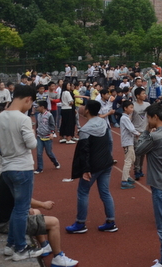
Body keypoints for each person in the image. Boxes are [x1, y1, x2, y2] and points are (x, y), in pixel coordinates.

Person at [0, 84, 42, 261]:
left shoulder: (0, 117)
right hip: (22, 167)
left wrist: (7, 142)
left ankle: (10, 245)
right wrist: (32, 131)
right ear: (28, 99)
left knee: (16, 207)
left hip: (7, 167)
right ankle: (20, 248)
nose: (30, 107)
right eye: (30, 103)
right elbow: (32, 144)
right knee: (21, 209)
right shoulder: (23, 119)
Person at [0, 175, 78, 266]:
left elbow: (17, 198)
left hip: (2, 220)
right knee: (54, 222)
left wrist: (28, 207)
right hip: (8, 223)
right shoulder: (18, 175)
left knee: (36, 212)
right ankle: (58, 258)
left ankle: (44, 245)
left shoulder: (8, 173)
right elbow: (26, 199)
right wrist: (43, 204)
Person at [135, 104, 162, 267]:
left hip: (159, 183)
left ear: (155, 117)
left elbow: (138, 150)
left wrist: (146, 132)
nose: (147, 121)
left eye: (148, 118)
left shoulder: (154, 137)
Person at [65, 99, 117, 234]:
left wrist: (86, 169)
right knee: (105, 192)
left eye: (84, 106)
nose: (82, 108)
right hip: (106, 163)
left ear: (87, 110)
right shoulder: (103, 123)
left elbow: (84, 152)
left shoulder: (85, 130)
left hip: (93, 166)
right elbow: (109, 142)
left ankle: (80, 223)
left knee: (83, 192)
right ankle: (111, 222)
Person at [34, 100, 60, 174]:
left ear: (42, 107)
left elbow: (52, 124)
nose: (37, 108)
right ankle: (40, 168)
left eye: (38, 107)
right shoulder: (38, 115)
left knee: (49, 152)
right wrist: (36, 132)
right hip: (39, 136)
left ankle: (55, 162)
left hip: (47, 137)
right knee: (39, 153)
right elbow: (37, 124)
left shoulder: (49, 115)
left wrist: (52, 133)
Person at [119, 100, 140, 189]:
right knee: (128, 161)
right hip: (127, 142)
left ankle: (127, 176)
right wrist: (138, 134)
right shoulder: (125, 118)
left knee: (132, 159)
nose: (132, 109)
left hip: (129, 141)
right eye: (131, 107)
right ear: (125, 108)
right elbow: (131, 129)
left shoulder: (126, 118)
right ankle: (124, 180)